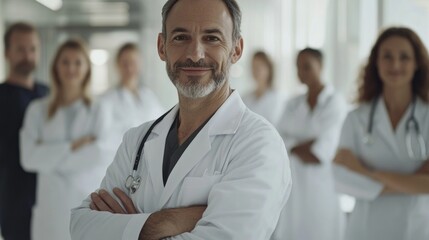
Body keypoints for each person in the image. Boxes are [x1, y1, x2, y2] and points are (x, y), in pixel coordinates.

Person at [70, 0, 292, 239]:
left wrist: (127, 228)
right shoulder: (136, 141)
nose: (195, 54)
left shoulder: (258, 144)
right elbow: (81, 226)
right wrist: (167, 221)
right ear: (161, 47)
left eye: (212, 38)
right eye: (180, 37)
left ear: (236, 49)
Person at [333, 27, 429, 240]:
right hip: (366, 229)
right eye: (387, 56)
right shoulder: (356, 118)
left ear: (417, 64)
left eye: (404, 57)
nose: (395, 65)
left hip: (415, 229)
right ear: (376, 63)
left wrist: (363, 172)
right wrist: (413, 183)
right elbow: (339, 179)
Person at [20, 39, 114, 240]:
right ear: (55, 66)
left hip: (88, 204)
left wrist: (47, 155)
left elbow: (100, 155)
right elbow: (28, 159)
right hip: (51, 209)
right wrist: (73, 146)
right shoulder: (37, 110)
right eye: (65, 62)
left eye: (77, 62)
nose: (71, 68)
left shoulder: (100, 109)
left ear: (87, 69)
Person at [273, 48, 347, 240]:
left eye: (307, 66)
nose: (301, 72)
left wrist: (293, 145)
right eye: (298, 67)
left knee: (321, 231)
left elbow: (320, 153)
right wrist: (301, 145)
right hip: (293, 186)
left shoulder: (335, 102)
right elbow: (276, 141)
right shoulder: (293, 104)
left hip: (323, 186)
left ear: (321, 67)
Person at [0, 22, 49, 240]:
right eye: (20, 49)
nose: (27, 55)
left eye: (33, 49)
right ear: (7, 53)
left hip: (49, 191)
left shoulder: (48, 93)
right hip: (13, 196)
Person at [101, 43, 164, 144]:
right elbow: (105, 136)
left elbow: (163, 124)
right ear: (117, 65)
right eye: (125, 63)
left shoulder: (149, 96)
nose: (129, 68)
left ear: (140, 64)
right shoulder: (107, 99)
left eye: (133, 63)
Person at [242, 51, 283, 125]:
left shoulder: (278, 98)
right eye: (253, 66)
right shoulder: (245, 98)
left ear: (269, 69)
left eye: (259, 66)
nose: (255, 70)